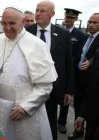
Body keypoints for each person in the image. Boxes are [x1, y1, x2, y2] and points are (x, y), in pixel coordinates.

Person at [0, 6, 57, 140]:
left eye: (12, 23)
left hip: (22, 107)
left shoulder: (37, 45)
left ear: (23, 22)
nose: (7, 28)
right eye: (3, 23)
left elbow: (45, 86)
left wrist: (26, 107)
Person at [25, 1, 74, 140]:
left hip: (53, 88)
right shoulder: (26, 31)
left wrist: (69, 90)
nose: (38, 13)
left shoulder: (63, 34)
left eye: (43, 11)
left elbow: (68, 62)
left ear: (52, 14)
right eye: (37, 10)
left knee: (49, 122)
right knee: (28, 121)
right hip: (29, 86)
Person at [57, 8, 86, 136]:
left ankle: (62, 122)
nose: (68, 20)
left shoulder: (80, 35)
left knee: (66, 98)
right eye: (67, 17)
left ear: (76, 20)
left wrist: (65, 66)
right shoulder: (57, 32)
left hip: (70, 72)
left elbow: (79, 54)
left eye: (71, 18)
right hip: (55, 70)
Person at [73, 13, 99, 140]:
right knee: (79, 107)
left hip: (92, 84)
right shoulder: (85, 38)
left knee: (91, 112)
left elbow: (96, 58)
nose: (91, 25)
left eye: (95, 22)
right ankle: (78, 131)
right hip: (80, 81)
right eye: (90, 22)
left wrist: (91, 62)